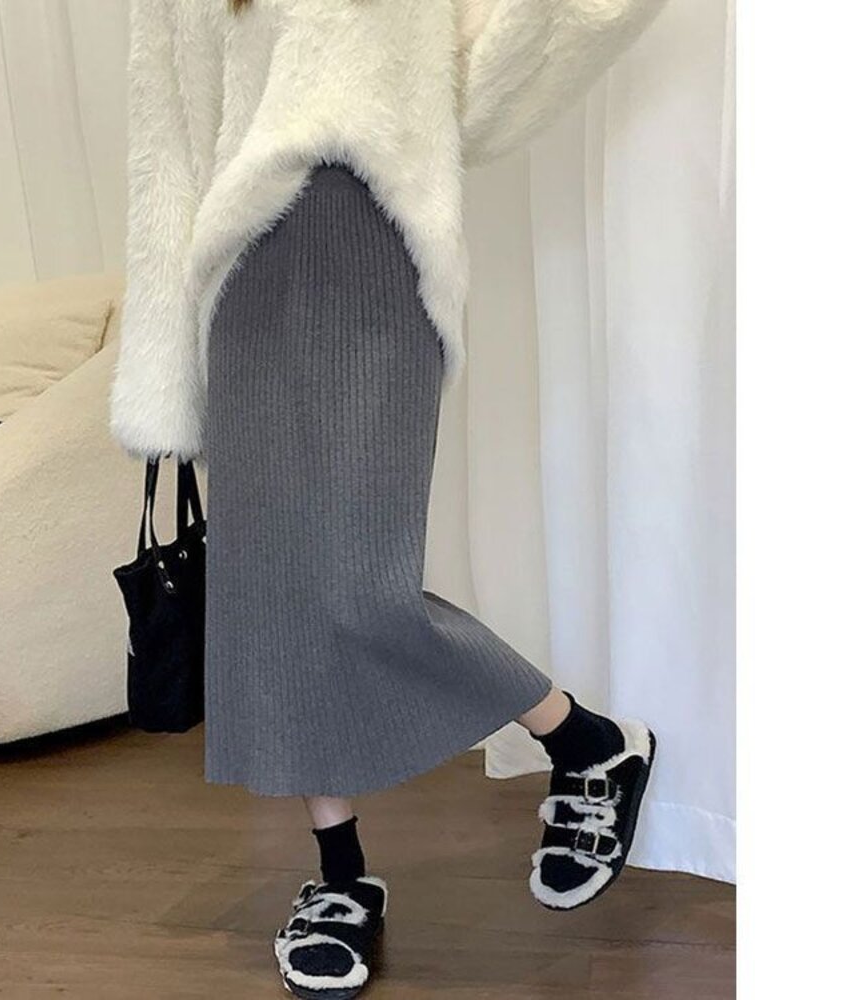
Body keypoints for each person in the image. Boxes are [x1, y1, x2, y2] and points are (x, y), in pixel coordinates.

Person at [109, 1, 667, 996]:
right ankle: (340, 877)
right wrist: (162, 367)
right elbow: (169, 142)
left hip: (374, 235)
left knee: (362, 587)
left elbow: (477, 89)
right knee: (276, 591)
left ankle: (584, 740)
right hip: (242, 272)